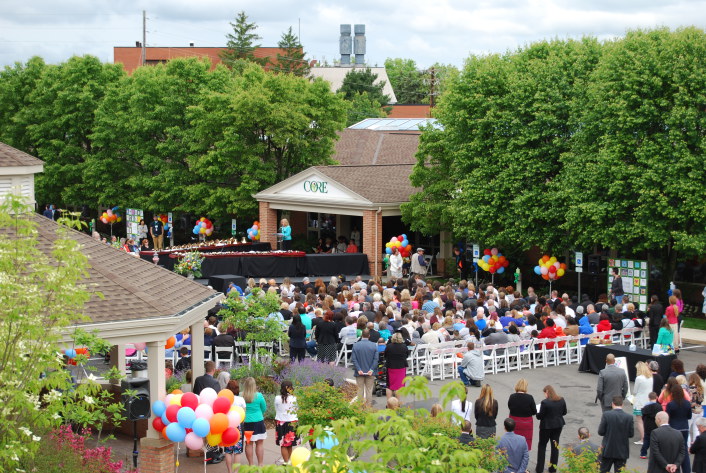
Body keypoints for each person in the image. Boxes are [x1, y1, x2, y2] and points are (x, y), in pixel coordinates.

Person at [598, 396, 634, 473]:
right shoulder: (629, 417)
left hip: (608, 449)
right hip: (622, 451)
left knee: (604, 470)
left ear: (612, 404)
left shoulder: (606, 415)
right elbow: (631, 434)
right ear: (622, 404)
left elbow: (601, 432)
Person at [536, 385, 567, 473]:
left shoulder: (545, 402)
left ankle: (540, 469)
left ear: (547, 392)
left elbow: (540, 416)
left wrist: (537, 411)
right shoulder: (561, 400)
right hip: (558, 425)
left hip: (546, 427)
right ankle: (553, 469)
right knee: (555, 446)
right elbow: (564, 412)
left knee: (542, 446)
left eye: (544, 393)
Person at [666, 380, 693, 473]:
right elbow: (689, 416)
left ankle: (674, 469)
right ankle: (687, 470)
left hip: (673, 428)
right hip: (684, 428)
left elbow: (667, 417)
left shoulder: (671, 404)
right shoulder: (687, 403)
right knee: (683, 449)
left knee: (673, 450)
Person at [242, 377, 267, 466]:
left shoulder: (242, 396)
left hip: (247, 423)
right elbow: (264, 408)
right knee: (259, 444)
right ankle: (260, 464)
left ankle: (251, 464)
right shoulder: (259, 396)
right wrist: (259, 414)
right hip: (258, 422)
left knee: (248, 444)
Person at [508, 378, 537, 450]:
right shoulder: (529, 397)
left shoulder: (512, 396)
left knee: (514, 440)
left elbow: (510, 407)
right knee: (525, 441)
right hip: (526, 423)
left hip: (514, 421)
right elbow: (534, 411)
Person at [274, 380, 299, 465]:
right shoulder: (294, 398)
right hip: (292, 422)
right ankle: (289, 461)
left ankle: (286, 461)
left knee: (283, 444)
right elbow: (296, 409)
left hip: (281, 422)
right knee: (290, 443)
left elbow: (276, 409)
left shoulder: (277, 398)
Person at [351, 329, 379, 406]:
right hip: (370, 372)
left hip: (359, 372)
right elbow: (376, 359)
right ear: (369, 336)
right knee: (369, 390)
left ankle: (360, 407)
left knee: (360, 390)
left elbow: (354, 359)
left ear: (361, 335)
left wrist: (359, 369)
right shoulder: (374, 345)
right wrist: (371, 369)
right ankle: (368, 407)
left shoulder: (355, 345)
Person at [224, 380, 246, 473]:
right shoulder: (241, 400)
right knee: (237, 451)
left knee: (228, 451)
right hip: (238, 427)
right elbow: (244, 415)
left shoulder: (225, 399)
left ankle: (229, 471)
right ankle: (236, 471)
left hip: (227, 426)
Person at [635, 361, 655, 445]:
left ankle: (643, 439)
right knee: (646, 421)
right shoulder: (650, 377)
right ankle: (646, 438)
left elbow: (635, 391)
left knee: (639, 421)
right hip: (648, 401)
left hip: (639, 402)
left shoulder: (639, 378)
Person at [384, 332, 409, 399]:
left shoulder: (389, 346)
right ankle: (397, 403)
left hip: (391, 367)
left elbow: (385, 355)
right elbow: (406, 355)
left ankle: (389, 402)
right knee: (399, 386)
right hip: (401, 367)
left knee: (389, 386)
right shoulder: (404, 346)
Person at [641, 392, 664, 459]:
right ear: (657, 397)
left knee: (646, 440)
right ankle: (655, 454)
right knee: (656, 441)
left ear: (649, 398)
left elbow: (643, 415)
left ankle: (643, 453)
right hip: (656, 425)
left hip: (648, 425)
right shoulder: (659, 407)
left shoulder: (646, 407)